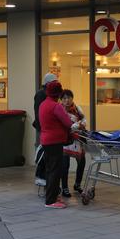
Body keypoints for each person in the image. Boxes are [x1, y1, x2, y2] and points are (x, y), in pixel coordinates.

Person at [39, 80, 73, 209]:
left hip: (46, 141)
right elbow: (68, 123)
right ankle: (51, 200)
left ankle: (51, 195)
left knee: (49, 170)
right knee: (55, 171)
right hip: (55, 141)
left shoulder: (43, 104)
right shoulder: (56, 106)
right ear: (58, 93)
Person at [59, 89, 87, 197]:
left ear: (72, 98)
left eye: (69, 98)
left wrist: (79, 124)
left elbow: (84, 120)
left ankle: (77, 184)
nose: (67, 100)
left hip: (77, 138)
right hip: (65, 139)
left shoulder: (77, 108)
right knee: (65, 164)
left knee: (82, 162)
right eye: (64, 98)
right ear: (61, 100)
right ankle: (64, 188)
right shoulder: (59, 109)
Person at [33, 73, 58, 186]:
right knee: (43, 153)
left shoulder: (49, 94)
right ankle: (40, 175)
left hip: (47, 129)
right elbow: (38, 113)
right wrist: (43, 128)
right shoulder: (40, 94)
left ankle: (44, 176)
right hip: (44, 129)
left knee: (46, 153)